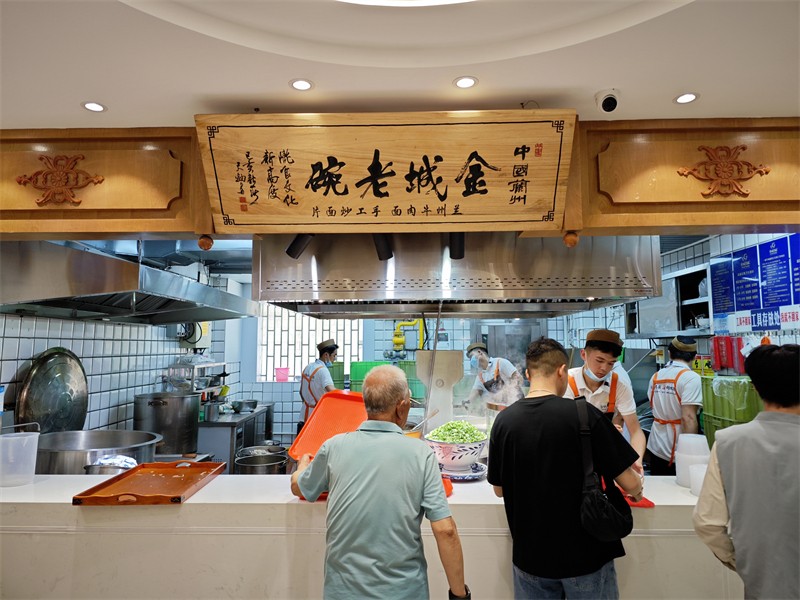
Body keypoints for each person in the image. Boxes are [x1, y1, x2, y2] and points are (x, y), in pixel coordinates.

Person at [291, 364, 470, 600]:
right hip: (405, 593)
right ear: (401, 407)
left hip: (343, 593)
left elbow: (300, 487)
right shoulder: (421, 454)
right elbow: (445, 530)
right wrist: (460, 596)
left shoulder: (333, 447)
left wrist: (301, 468)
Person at [488, 338, 643, 599]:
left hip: (530, 559)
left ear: (527, 374)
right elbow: (630, 482)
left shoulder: (504, 421)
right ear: (562, 371)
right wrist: (637, 489)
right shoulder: (585, 415)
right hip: (585, 557)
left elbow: (499, 490)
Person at [693, 343, 799, 600]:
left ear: (755, 388)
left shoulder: (728, 441)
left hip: (762, 583)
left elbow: (707, 522)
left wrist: (739, 560)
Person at [563, 329, 646, 475]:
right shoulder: (566, 381)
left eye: (611, 363)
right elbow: (562, 428)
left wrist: (637, 461)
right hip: (571, 455)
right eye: (599, 361)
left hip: (605, 456)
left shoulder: (619, 385)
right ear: (583, 354)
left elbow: (636, 431)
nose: (604, 368)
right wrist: (605, 431)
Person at [645, 336, 703, 475]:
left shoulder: (656, 376)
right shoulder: (691, 378)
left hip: (656, 445)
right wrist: (690, 452)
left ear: (669, 354)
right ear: (694, 357)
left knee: (660, 486)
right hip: (677, 448)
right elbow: (688, 418)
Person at [464, 342, 524, 408]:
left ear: (479, 352)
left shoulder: (500, 362)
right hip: (501, 408)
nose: (471, 361)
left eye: (471, 356)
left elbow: (519, 379)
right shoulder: (480, 375)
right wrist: (467, 402)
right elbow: (476, 391)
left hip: (516, 404)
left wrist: (506, 391)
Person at [299, 338, 339, 423]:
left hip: (303, 416)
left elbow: (301, 392)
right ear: (326, 355)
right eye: (334, 355)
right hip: (316, 417)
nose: (335, 359)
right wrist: (346, 396)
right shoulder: (323, 370)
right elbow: (331, 390)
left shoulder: (308, 367)